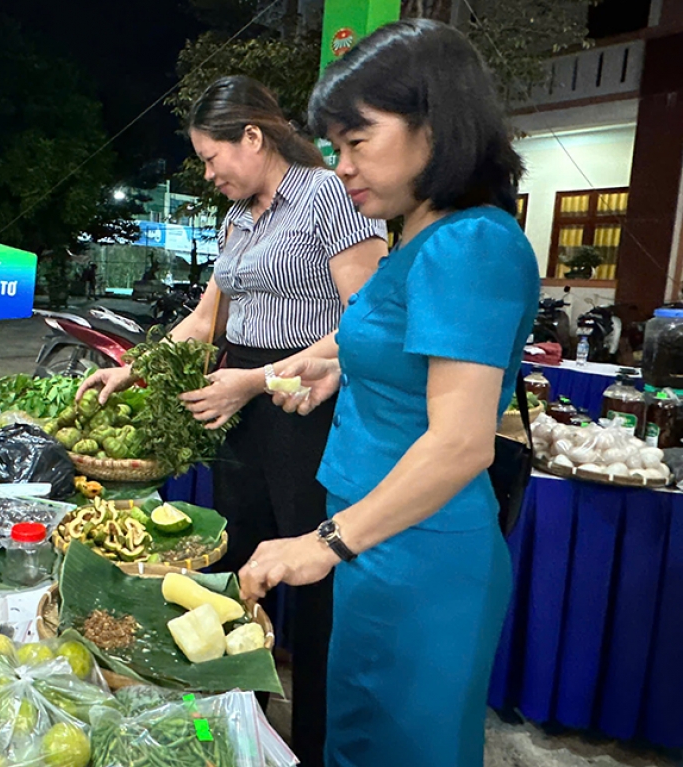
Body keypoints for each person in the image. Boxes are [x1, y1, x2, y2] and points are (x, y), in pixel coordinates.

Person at [240, 20, 540, 767]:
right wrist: (334, 364)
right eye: (335, 148)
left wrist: (323, 542)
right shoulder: (417, 234)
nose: (342, 166)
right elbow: (398, 344)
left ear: (435, 124)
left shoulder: (472, 243)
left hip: (420, 552)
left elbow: (461, 439)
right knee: (357, 741)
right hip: (377, 536)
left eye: (358, 140)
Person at [78, 75, 387, 766]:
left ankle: (313, 742)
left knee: (313, 583)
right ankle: (243, 733)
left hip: (308, 404)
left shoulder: (330, 195)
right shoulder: (241, 216)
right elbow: (201, 320)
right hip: (241, 410)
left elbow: (367, 320)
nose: (210, 174)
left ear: (253, 135)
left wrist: (255, 381)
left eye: (214, 157)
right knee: (239, 572)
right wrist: (138, 366)